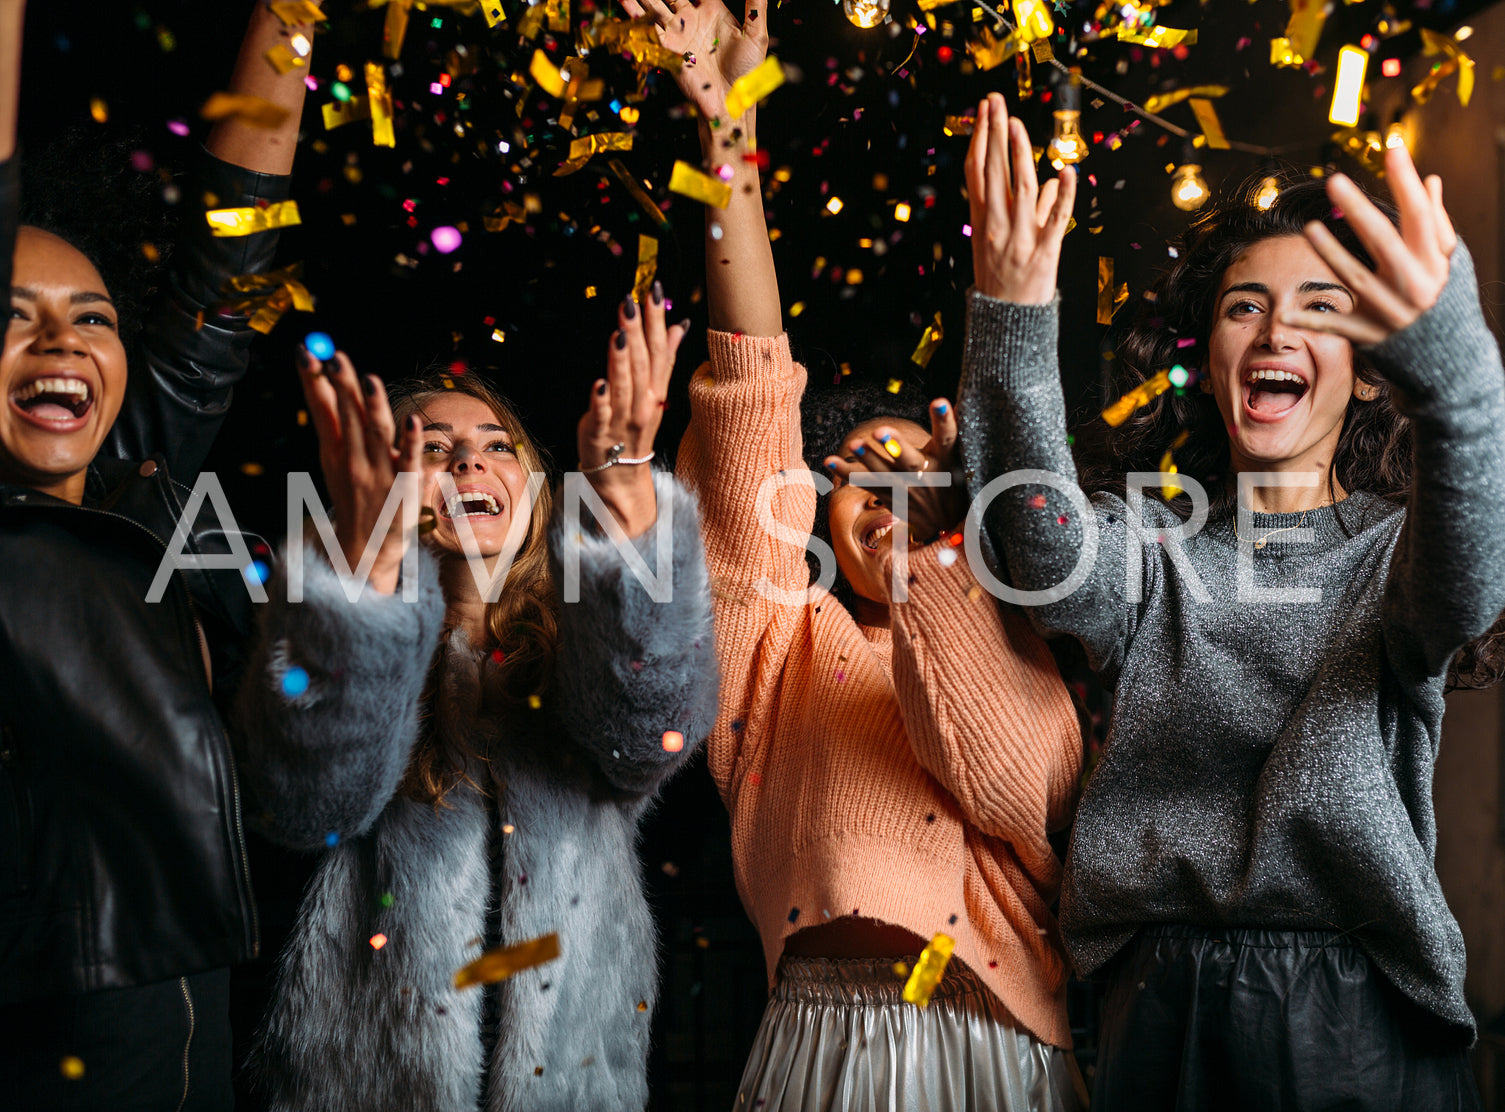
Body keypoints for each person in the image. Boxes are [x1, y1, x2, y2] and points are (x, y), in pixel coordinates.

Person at [957, 90, 1504, 1109]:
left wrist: (1455, 372)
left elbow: (1465, 576)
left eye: (1318, 306)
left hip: (1355, 1015)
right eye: (1242, 304)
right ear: (1209, 364)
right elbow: (1036, 550)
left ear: (1374, 374)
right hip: (1160, 1005)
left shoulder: (1393, 551)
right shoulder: (1153, 541)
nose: (1272, 328)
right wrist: (1014, 317)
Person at [627, 0, 1088, 1103]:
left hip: (1001, 1048)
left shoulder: (1030, 638)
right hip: (820, 1047)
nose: (885, 485)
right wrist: (725, 134)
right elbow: (746, 395)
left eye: (914, 467)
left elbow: (1016, 788)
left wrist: (940, 555)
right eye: (856, 470)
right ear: (811, 510)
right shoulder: (780, 640)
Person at [236, 289, 718, 1111]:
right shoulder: (319, 634)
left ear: (535, 488)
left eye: (498, 446)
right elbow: (308, 804)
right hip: (364, 1084)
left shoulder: (586, 636)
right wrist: (365, 584)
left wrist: (631, 505)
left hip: (574, 1081)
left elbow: (651, 738)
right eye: (434, 447)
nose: (468, 461)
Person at [0, 1, 310, 1105]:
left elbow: (230, 264)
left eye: (93, 317)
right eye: (14, 312)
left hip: (180, 1011)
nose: (62, 343)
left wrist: (291, 13)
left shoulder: (144, 487)